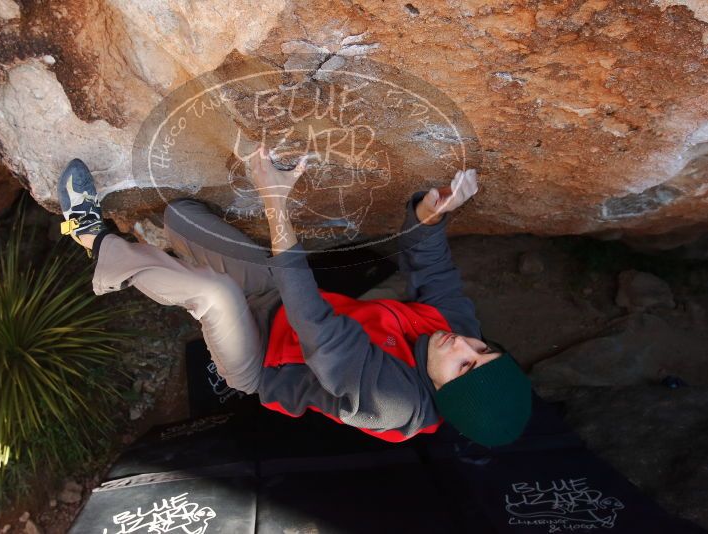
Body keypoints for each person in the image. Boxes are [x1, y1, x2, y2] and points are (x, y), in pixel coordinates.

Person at [57, 147, 531, 447]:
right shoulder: (458, 336)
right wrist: (431, 214)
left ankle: (93, 239)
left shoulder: (394, 405)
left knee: (215, 293)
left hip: (262, 359)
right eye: (484, 349)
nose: (465, 345)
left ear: (446, 394)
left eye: (466, 366)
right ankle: (165, 263)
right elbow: (435, 273)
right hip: (282, 303)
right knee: (181, 216)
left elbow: (318, 331)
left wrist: (275, 205)